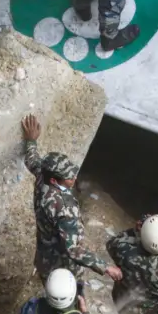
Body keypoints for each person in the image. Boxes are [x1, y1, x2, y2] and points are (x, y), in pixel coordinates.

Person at [22, 114, 122, 282]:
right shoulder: (64, 209)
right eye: (68, 177)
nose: (73, 178)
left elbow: (31, 159)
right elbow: (73, 250)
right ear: (54, 180)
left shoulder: (42, 176)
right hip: (60, 262)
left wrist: (31, 140)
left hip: (44, 250)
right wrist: (106, 267)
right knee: (65, 290)